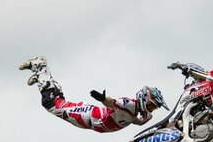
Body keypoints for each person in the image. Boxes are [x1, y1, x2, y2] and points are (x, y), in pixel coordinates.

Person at [18, 56, 168, 133]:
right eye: (150, 105)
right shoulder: (130, 104)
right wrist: (102, 98)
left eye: (153, 108)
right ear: (143, 98)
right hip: (89, 116)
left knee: (58, 103)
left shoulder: (142, 115)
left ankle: (43, 79)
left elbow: (138, 121)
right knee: (50, 104)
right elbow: (113, 102)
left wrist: (166, 124)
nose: (150, 109)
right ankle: (40, 66)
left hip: (92, 123)